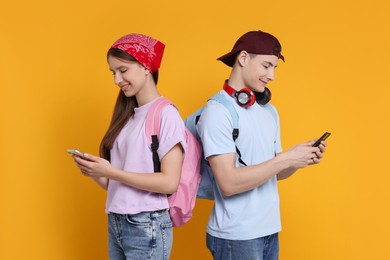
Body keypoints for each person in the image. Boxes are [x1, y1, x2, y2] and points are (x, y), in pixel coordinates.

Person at [196, 30, 328, 260]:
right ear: (243, 58)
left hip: (269, 231)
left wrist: (299, 160)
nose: (272, 75)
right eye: (267, 66)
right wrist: (286, 158)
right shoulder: (217, 112)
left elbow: (275, 173)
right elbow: (227, 183)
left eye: (275, 68)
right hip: (236, 236)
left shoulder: (269, 111)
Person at [70, 33, 186, 260]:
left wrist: (111, 171)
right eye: (113, 72)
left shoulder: (166, 114)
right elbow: (118, 185)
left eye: (123, 70)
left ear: (146, 67)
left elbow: (169, 182)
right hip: (117, 221)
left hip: (147, 224)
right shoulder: (127, 117)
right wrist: (95, 172)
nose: (116, 80)